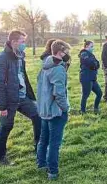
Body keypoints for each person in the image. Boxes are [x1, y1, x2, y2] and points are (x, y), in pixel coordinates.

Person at [0, 30, 41, 165]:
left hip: (22, 97)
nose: (24, 44)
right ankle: (0, 156)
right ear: (13, 42)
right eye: (22, 41)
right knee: (6, 126)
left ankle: (39, 147)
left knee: (38, 116)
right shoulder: (1, 58)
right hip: (8, 100)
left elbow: (23, 77)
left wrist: (30, 96)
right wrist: (2, 106)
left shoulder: (20, 57)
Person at [36, 40, 71, 180]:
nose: (68, 55)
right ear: (60, 52)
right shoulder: (58, 69)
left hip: (44, 110)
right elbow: (59, 93)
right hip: (55, 111)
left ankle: (41, 164)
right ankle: (52, 171)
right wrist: (65, 108)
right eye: (67, 52)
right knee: (54, 143)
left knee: (43, 140)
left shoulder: (45, 66)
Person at [79, 40, 102, 114]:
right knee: (85, 95)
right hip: (86, 78)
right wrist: (94, 64)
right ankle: (82, 111)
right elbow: (90, 63)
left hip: (93, 78)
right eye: (91, 46)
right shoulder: (83, 54)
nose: (93, 48)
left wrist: (94, 65)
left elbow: (97, 64)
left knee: (99, 93)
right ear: (86, 46)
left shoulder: (91, 54)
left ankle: (96, 108)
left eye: (93, 46)